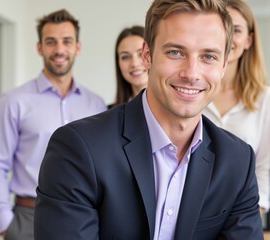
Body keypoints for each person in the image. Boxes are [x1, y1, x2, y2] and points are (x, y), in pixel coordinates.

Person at [34, 0, 264, 239]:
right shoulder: (78, 148)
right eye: (176, 52)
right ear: (147, 55)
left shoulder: (237, 161)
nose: (191, 73)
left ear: (224, 65)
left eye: (208, 56)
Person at [0, 9, 106, 240]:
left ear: (77, 47)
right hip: (28, 217)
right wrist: (6, 226)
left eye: (66, 41)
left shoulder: (96, 104)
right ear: (39, 47)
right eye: (51, 42)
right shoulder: (13, 102)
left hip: (85, 217)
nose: (59, 50)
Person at [203, 0, 270, 214]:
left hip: (241, 215)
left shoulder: (265, 99)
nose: (229, 36)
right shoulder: (193, 90)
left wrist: (246, 219)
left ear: (249, 40)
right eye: (223, 28)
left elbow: (265, 168)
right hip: (190, 214)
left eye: (237, 30)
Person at [109, 25, 148, 108]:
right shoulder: (108, 115)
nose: (134, 63)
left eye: (141, 54)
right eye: (125, 57)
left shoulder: (177, 108)